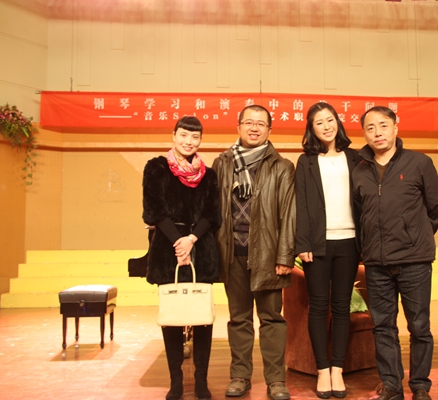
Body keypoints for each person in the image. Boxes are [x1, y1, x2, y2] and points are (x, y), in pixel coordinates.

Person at [352, 106, 438, 400]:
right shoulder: (359, 170)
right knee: (383, 327)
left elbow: (436, 207)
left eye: (383, 125)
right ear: (364, 133)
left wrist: (415, 236)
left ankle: (420, 386)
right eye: (370, 128)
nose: (377, 133)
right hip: (376, 263)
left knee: (419, 326)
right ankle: (391, 385)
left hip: (414, 261)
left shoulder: (420, 162)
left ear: (395, 127)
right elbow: (359, 215)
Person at [212, 104, 296, 400]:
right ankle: (240, 376)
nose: (254, 128)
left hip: (268, 255)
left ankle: (276, 380)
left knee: (272, 318)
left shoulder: (282, 166)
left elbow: (289, 213)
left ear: (269, 130)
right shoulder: (222, 163)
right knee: (239, 318)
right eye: (249, 122)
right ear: (238, 126)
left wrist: (285, 256)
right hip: (231, 253)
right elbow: (213, 210)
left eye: (261, 123)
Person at [142, 116, 221, 400]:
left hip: (201, 249)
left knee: (202, 319)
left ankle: (201, 381)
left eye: (195, 137)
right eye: (184, 135)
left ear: (200, 140)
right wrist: (179, 242)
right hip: (168, 250)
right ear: (174, 135)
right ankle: (176, 381)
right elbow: (153, 210)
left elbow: (212, 215)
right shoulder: (156, 167)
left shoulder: (209, 174)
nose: (189, 141)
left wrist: (191, 239)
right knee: (173, 317)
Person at [295, 102, 361, 399]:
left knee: (342, 307)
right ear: (312, 129)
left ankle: (338, 369)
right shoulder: (306, 161)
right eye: (319, 122)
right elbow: (300, 204)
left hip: (350, 241)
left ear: (338, 122)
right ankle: (322, 369)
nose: (326, 126)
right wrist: (303, 243)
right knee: (319, 307)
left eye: (330, 119)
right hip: (317, 245)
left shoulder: (356, 157)